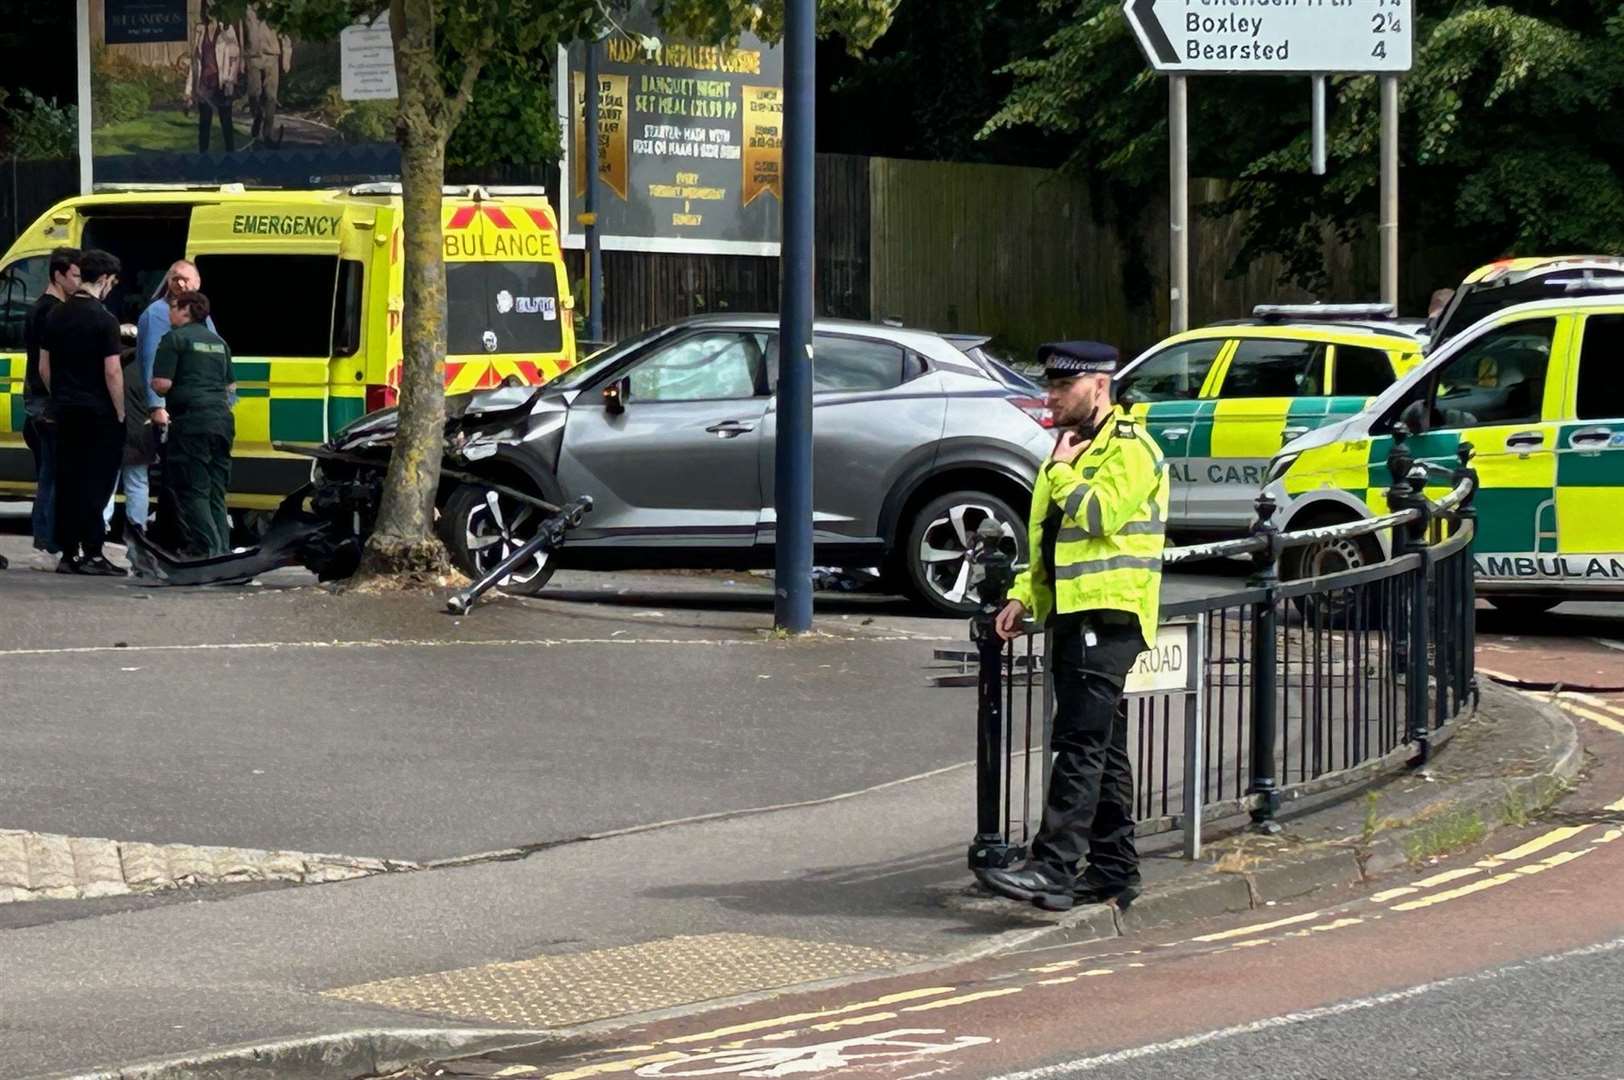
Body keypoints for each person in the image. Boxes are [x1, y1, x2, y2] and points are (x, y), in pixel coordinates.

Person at [981, 341, 1171, 913]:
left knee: (1078, 745)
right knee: (1104, 750)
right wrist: (1022, 596)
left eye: (1064, 386)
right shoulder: (1070, 449)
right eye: (1051, 386)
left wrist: (1062, 473)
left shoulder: (1130, 450)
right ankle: (1113, 870)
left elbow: (1099, 516)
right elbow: (1048, 540)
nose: (1052, 396)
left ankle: (1053, 868)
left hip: (1108, 616)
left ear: (1099, 385)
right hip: (1074, 613)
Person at [39, 249, 127, 576]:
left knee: (68, 480)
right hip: (98, 414)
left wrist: (60, 397)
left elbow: (44, 366)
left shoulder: (56, 315)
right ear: (104, 280)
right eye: (112, 283)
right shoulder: (105, 320)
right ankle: (93, 551)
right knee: (96, 483)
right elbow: (112, 372)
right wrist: (119, 412)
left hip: (64, 411)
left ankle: (68, 553)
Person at [126, 260, 216, 535]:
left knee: (187, 476)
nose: (180, 284)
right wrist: (157, 406)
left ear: (198, 283)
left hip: (195, 408)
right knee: (174, 476)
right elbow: (153, 362)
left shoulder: (200, 315)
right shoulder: (158, 313)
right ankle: (171, 534)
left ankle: (177, 534)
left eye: (186, 279)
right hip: (173, 407)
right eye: (174, 278)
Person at [152, 291, 236, 558]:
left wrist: (156, 387)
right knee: (216, 489)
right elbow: (230, 385)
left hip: (191, 422)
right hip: (222, 420)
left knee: (193, 488)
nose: (170, 312)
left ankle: (205, 550)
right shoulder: (219, 342)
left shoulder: (174, 339)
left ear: (187, 310)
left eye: (174, 307)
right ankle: (222, 549)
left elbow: (162, 384)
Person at [21, 246, 80, 556]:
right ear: (58, 275)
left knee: (49, 471)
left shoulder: (41, 308)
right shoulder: (51, 311)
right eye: (76, 275)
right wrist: (59, 399)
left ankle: (46, 536)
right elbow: (47, 364)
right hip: (46, 399)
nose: (80, 282)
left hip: (40, 397)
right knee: (53, 472)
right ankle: (48, 538)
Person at [186, 0, 242, 153]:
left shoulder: (227, 30)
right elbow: (195, 62)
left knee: (226, 122)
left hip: (222, 83)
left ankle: (230, 158)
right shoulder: (199, 30)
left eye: (212, 7)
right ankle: (203, 161)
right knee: (204, 124)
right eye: (206, 8)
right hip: (204, 83)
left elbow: (234, 58)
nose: (209, 11)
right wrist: (189, 89)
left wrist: (230, 80)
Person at [241, 4, 293, 147]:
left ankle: (267, 133)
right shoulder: (247, 10)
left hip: (272, 56)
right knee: (253, 94)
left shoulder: (275, 9)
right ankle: (257, 116)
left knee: (271, 97)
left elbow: (285, 34)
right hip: (253, 57)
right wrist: (241, 57)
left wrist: (286, 59)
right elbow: (241, 33)